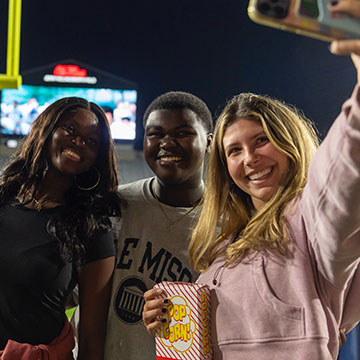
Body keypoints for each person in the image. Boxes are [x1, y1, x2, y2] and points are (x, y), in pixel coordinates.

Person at [143, 6, 360, 359]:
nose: (249, 158)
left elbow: (347, 168)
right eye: (234, 150)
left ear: (289, 141)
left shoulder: (311, 219)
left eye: (261, 140)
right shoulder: (224, 247)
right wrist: (168, 320)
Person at [0, 97, 123, 360]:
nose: (79, 142)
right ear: (46, 129)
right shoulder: (3, 199)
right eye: (70, 129)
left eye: (91, 141)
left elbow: (91, 337)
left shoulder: (92, 228)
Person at [104, 91, 213, 360]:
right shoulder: (115, 205)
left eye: (182, 133)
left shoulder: (229, 222)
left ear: (209, 142)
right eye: (155, 133)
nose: (167, 143)